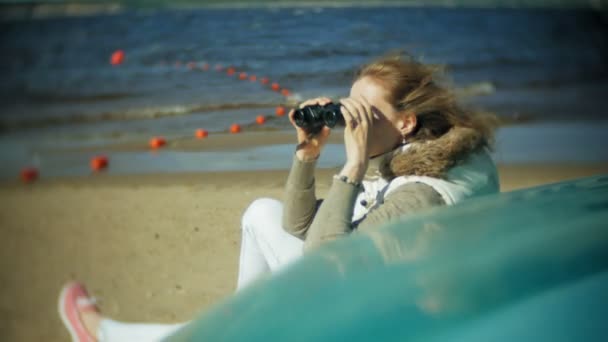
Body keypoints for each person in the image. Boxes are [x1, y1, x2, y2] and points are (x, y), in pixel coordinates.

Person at [58, 53, 499, 342]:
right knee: (262, 214)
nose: (353, 122)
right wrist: (308, 154)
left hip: (394, 319)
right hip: (394, 287)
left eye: (366, 113)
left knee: (249, 280)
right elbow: (298, 227)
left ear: (405, 122)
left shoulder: (420, 193)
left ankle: (110, 335)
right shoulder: (427, 155)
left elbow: (328, 259)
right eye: (351, 107)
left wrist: (353, 165)